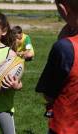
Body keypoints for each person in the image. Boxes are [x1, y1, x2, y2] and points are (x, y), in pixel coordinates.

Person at [35, 0, 78, 133]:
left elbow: (49, 94)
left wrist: (61, 41)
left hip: (66, 126)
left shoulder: (65, 47)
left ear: (64, 9)